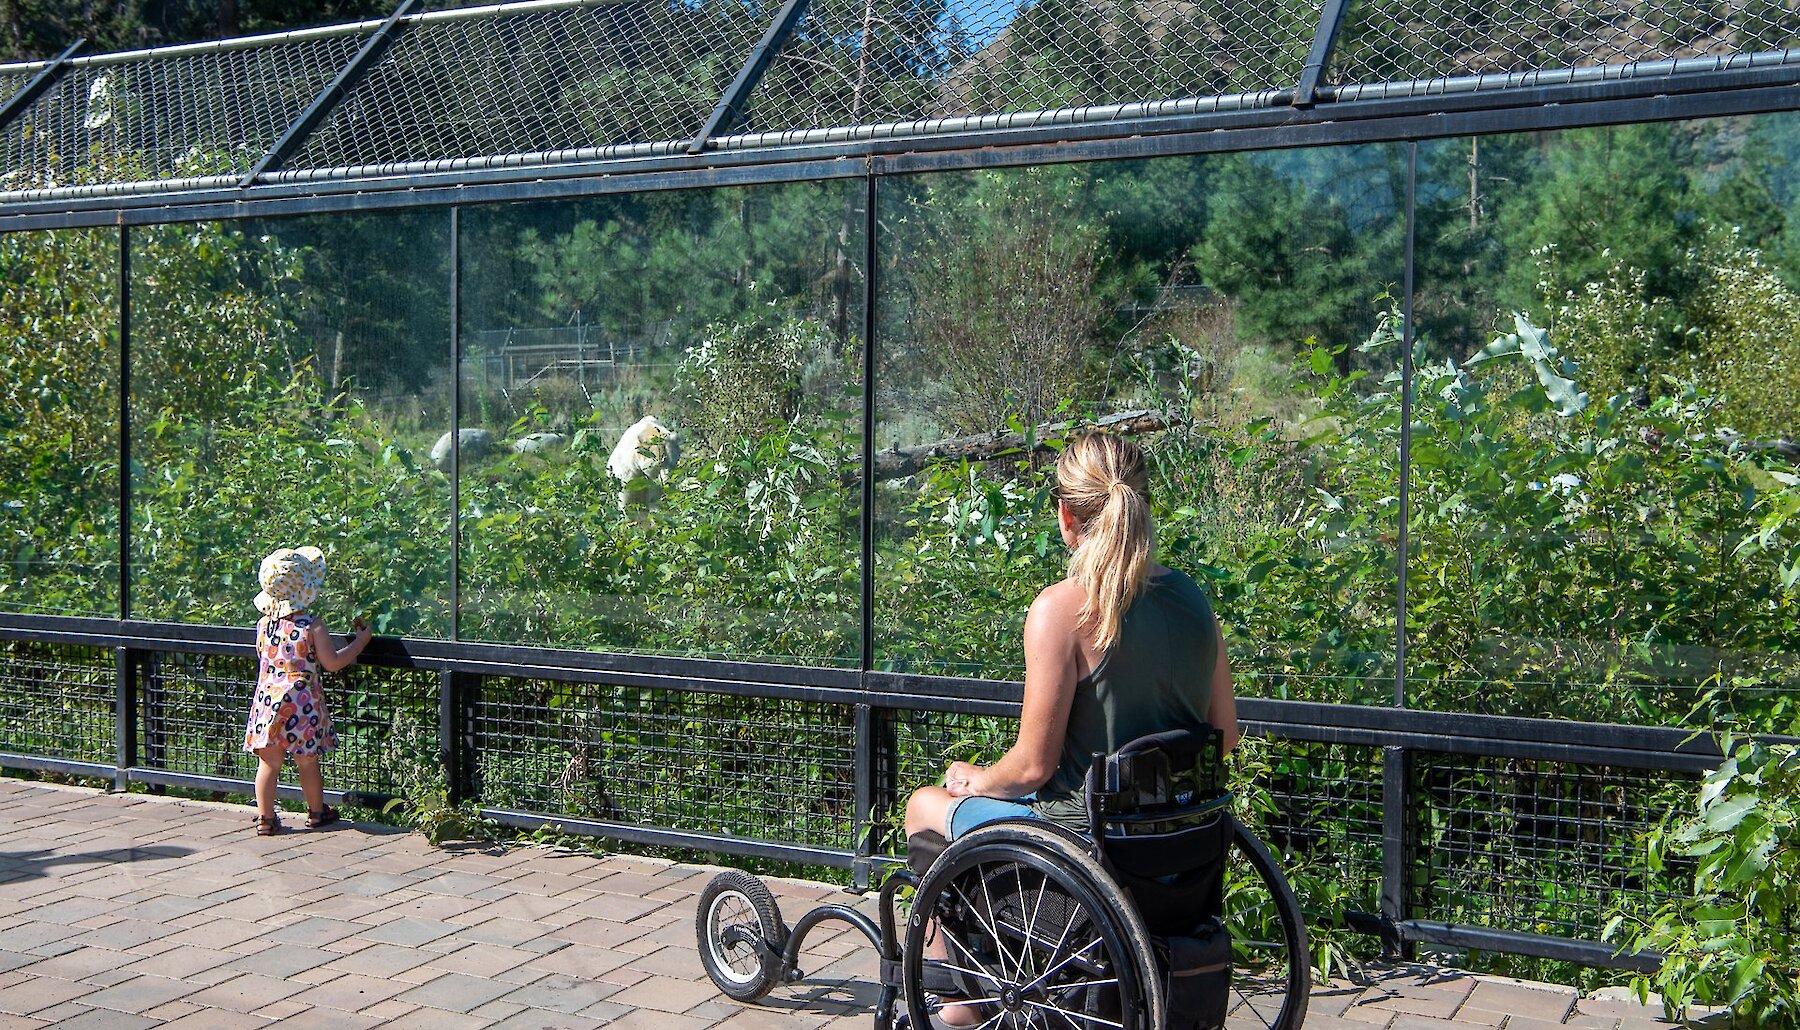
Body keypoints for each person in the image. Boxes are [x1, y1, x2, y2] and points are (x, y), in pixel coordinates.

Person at [902, 431, 1239, 1025]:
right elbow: (1225, 735)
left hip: (1086, 847)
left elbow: (1031, 769)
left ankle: (955, 1004)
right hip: (1180, 847)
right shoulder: (1192, 601)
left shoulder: (1062, 610)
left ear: (1065, 513)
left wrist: (975, 778)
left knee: (926, 806)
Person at [243, 546, 371, 836]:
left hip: (268, 698)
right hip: (302, 701)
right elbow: (333, 662)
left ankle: (265, 818)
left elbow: (265, 658)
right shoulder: (312, 626)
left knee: (269, 762)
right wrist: (361, 642)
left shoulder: (264, 625)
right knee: (307, 760)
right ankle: (316, 812)